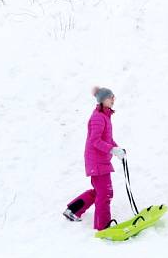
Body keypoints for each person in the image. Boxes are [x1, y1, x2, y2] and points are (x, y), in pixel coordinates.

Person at [63, 87, 126, 230]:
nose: (113, 99)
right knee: (105, 193)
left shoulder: (105, 116)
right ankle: (103, 227)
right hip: (97, 162)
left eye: (113, 97)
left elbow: (107, 138)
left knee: (99, 191)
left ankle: (73, 210)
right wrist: (112, 149)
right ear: (103, 100)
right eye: (111, 97)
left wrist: (117, 149)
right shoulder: (98, 117)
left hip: (99, 160)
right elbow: (95, 141)